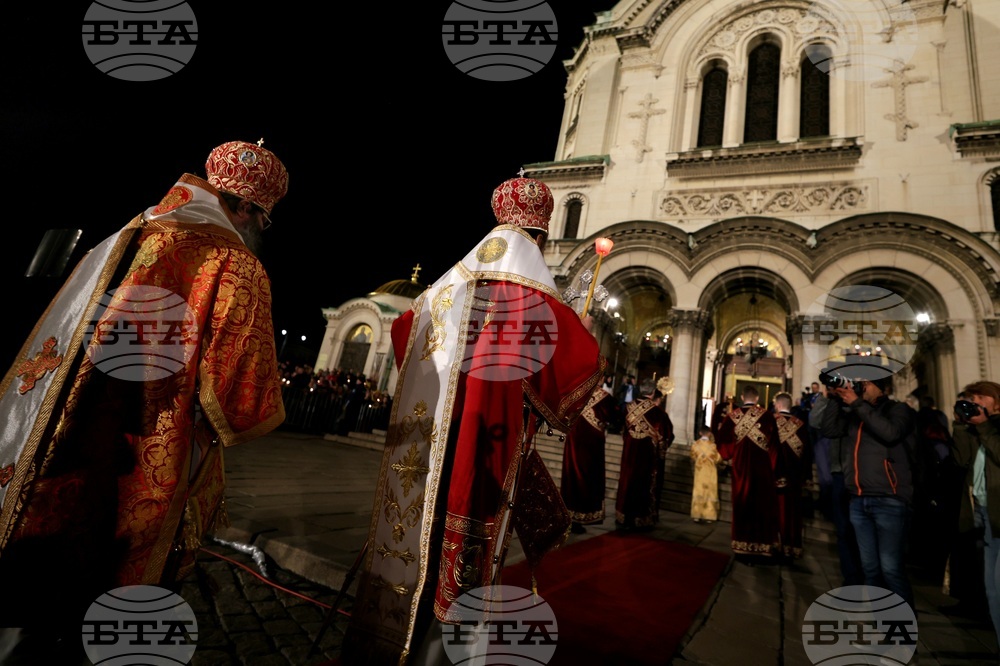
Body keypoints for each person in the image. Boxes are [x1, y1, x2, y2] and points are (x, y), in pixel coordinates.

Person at [0, 140, 289, 657]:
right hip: (150, 455)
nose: (260, 232)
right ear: (245, 206)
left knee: (42, 582)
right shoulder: (235, 263)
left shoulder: (124, 236)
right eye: (263, 220)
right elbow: (240, 399)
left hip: (61, 442)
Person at [340, 175, 604, 666]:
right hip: (483, 458)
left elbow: (403, 333)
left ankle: (387, 643)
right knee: (466, 560)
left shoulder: (443, 289)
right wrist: (581, 330)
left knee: (416, 540)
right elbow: (578, 371)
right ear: (541, 238)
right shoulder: (540, 304)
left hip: (425, 450)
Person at [821, 374, 916, 610]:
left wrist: (856, 402)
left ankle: (903, 632)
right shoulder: (855, 411)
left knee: (891, 568)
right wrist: (835, 397)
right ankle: (882, 623)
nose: (860, 388)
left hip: (889, 499)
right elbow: (830, 429)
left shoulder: (898, 410)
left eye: (865, 384)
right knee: (871, 569)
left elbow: (890, 432)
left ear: (879, 386)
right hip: (859, 499)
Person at [950, 380, 1000, 648]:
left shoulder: (994, 427)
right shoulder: (976, 428)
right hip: (979, 508)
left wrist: (984, 426)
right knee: (990, 585)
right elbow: (961, 459)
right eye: (972, 398)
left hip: (998, 511)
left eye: (981, 396)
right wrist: (960, 424)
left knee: (998, 585)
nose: (976, 401)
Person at [716, 384, 782, 560]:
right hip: (763, 471)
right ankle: (763, 547)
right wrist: (777, 473)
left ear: (743, 398)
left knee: (742, 506)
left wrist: (727, 456)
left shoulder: (732, 416)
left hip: (741, 470)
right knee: (761, 507)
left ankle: (741, 546)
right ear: (757, 398)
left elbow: (722, 444)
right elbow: (775, 447)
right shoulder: (768, 417)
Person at [811, 384, 863, 585]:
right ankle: (851, 577)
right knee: (843, 530)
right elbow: (816, 422)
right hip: (839, 473)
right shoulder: (833, 403)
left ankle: (865, 574)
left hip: (858, 473)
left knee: (858, 529)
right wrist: (826, 397)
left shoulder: (858, 402)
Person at [615, 378, 674, 531]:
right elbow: (666, 436)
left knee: (627, 482)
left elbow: (623, 429)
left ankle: (623, 516)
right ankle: (641, 519)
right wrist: (661, 452)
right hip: (647, 457)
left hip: (629, 452)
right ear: (653, 392)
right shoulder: (658, 413)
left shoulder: (628, 407)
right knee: (643, 485)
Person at [562, 383, 617, 533]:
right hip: (591, 446)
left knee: (571, 477)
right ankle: (581, 516)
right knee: (587, 478)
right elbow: (615, 417)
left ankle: (569, 516)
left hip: (573, 442)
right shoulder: (604, 398)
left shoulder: (575, 392)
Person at [773, 391, 809, 560]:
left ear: (779, 405)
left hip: (774, 478)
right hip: (794, 479)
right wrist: (805, 478)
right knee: (792, 514)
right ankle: (791, 547)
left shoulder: (771, 422)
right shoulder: (801, 425)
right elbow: (807, 454)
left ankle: (774, 544)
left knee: (775, 512)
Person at [690, 425, 722, 523]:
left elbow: (692, 456)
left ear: (700, 433)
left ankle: (696, 515)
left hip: (699, 472)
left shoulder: (695, 445)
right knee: (710, 492)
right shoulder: (713, 446)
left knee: (698, 491)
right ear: (709, 433)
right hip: (710, 472)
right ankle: (709, 516)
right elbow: (718, 459)